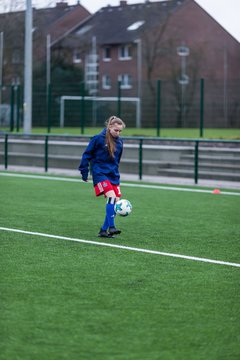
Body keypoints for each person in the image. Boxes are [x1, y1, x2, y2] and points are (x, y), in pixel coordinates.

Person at [79, 115, 126, 238]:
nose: (118, 133)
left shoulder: (120, 142)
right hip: (100, 173)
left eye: (120, 131)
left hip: (113, 175)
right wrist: (84, 171)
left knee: (116, 201)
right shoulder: (98, 139)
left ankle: (103, 230)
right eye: (116, 130)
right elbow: (86, 155)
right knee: (111, 196)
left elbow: (117, 161)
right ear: (110, 127)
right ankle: (112, 226)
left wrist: (117, 176)